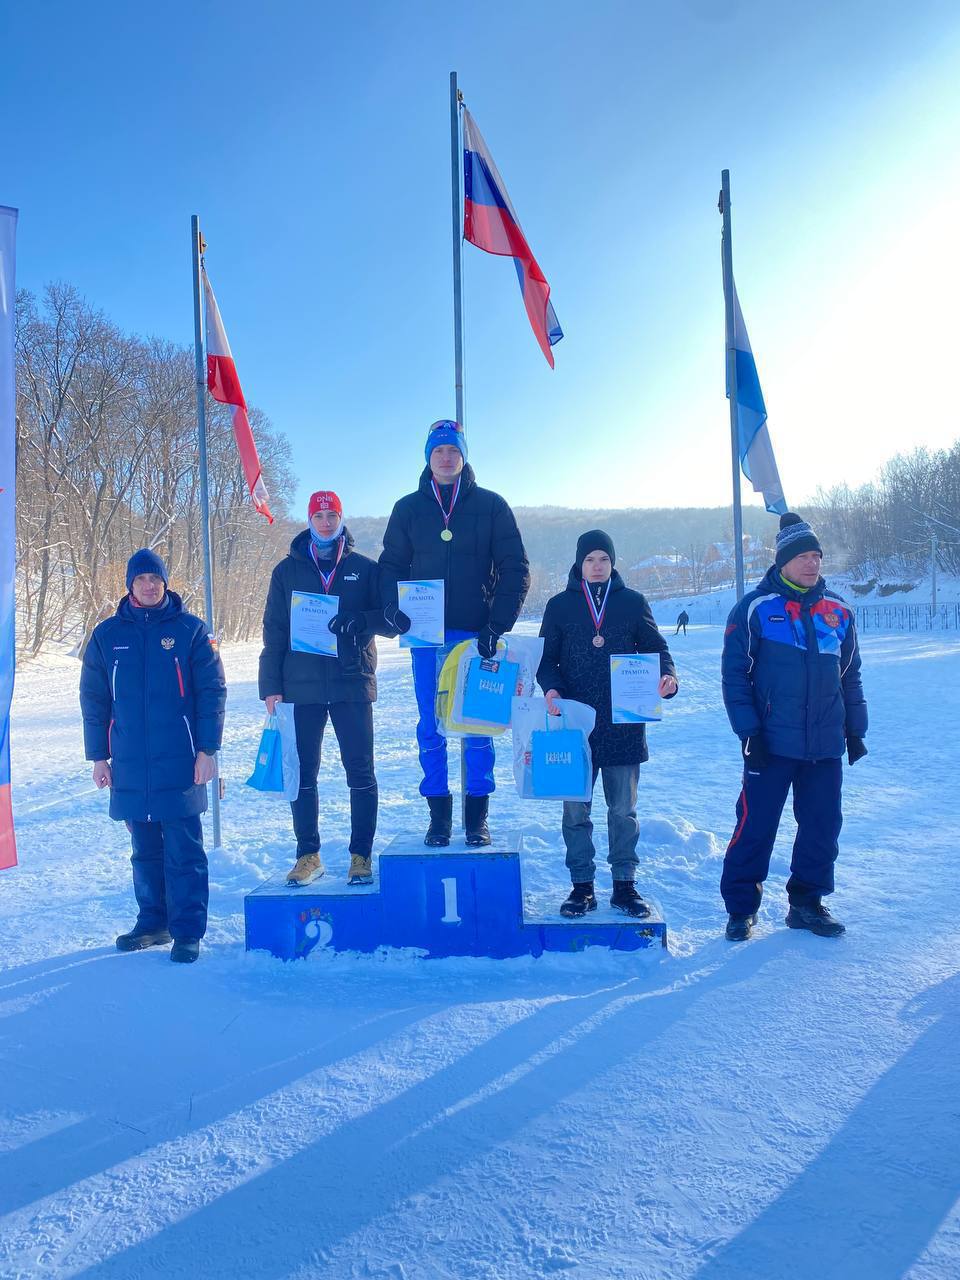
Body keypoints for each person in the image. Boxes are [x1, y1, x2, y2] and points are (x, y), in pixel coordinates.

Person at [379, 420, 530, 848]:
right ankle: (438, 815)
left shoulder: (491, 505)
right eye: (438, 451)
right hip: (425, 638)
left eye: (453, 450)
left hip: (475, 637)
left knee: (478, 725)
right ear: (428, 457)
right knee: (431, 724)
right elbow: (391, 565)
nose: (446, 458)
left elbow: (515, 568)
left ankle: (477, 816)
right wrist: (393, 607)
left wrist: (496, 625)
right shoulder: (408, 509)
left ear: (464, 455)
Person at [720, 512, 868, 941]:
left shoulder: (838, 611)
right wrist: (749, 732)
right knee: (755, 825)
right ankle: (741, 908)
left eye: (817, 556)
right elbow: (735, 676)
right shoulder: (755, 609)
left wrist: (855, 730)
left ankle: (807, 902)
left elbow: (850, 675)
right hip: (771, 742)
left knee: (823, 825)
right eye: (803, 556)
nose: (812, 563)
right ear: (782, 561)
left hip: (824, 743)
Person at [80, 548, 226, 964]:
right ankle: (153, 922)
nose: (148, 586)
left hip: (180, 759)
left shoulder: (190, 631)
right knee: (144, 849)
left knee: (184, 850)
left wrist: (207, 750)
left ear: (166, 584)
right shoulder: (107, 636)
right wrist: (99, 757)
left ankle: (187, 931)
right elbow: (94, 700)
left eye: (155, 580)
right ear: (129, 586)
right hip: (129, 761)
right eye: (141, 580)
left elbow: (212, 693)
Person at [537, 530, 678, 918]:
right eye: (589, 560)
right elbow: (546, 660)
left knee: (622, 812)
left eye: (603, 559)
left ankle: (624, 886)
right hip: (575, 726)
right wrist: (551, 690)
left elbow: (656, 649)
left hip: (623, 726)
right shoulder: (560, 606)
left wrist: (667, 677)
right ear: (579, 564)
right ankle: (581, 886)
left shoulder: (632, 603)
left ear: (612, 563)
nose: (597, 566)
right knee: (576, 813)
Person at [260, 490, 395, 888]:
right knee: (302, 773)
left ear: (341, 519)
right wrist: (270, 684)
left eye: (331, 515)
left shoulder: (363, 568)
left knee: (360, 771)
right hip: (300, 686)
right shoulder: (287, 571)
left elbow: (389, 621)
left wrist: (359, 620)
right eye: (318, 516)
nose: (325, 522)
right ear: (308, 520)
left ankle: (361, 855)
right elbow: (274, 630)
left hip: (351, 682)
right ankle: (308, 855)